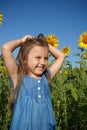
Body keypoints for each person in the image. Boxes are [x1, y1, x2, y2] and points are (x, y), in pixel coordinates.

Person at [2, 34, 65, 130]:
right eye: (38, 57)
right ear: (24, 59)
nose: (43, 62)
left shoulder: (46, 77)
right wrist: (21, 41)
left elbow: (61, 56)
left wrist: (46, 45)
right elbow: (6, 48)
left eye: (46, 58)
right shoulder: (18, 78)